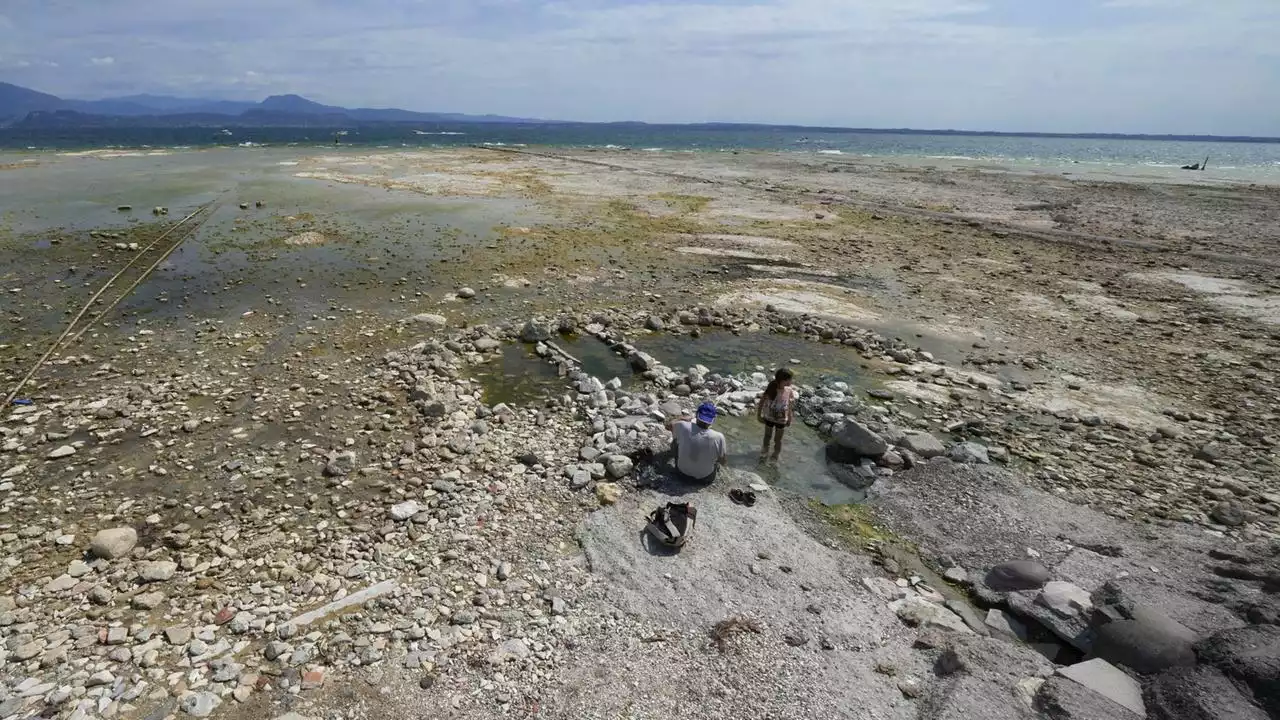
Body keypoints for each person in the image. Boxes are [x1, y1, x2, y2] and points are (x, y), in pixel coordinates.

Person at [669, 401, 728, 483]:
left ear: (696, 415)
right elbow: (723, 462)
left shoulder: (683, 426)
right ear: (713, 420)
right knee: (718, 456)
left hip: (682, 474)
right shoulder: (719, 437)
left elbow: (669, 425)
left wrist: (681, 418)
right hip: (705, 478)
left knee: (676, 441)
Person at [757, 368, 795, 462]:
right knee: (767, 436)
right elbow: (762, 401)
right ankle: (765, 451)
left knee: (778, 440)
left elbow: (790, 405)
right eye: (790, 379)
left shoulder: (789, 390)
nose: (791, 381)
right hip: (769, 418)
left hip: (781, 420)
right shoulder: (771, 388)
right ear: (783, 380)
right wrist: (759, 415)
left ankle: (775, 455)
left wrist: (790, 418)